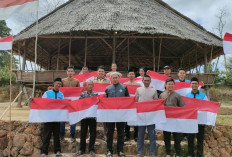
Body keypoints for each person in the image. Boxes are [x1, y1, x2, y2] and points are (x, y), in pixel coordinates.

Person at [105, 72, 129, 157]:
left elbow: (128, 100)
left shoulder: (124, 87)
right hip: (110, 114)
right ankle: (109, 151)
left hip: (121, 114)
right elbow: (105, 100)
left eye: (116, 78)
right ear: (111, 79)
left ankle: (120, 151)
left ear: (119, 78)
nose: (115, 79)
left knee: (121, 133)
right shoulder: (108, 88)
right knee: (110, 133)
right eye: (113, 78)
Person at [160, 78, 186, 157]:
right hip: (166, 120)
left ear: (174, 85)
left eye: (172, 84)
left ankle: (178, 153)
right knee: (166, 137)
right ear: (165, 85)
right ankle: (168, 153)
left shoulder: (177, 95)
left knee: (177, 138)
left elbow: (183, 106)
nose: (170, 85)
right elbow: (159, 107)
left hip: (175, 120)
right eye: (169, 84)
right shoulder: (161, 95)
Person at [135, 75, 158, 157]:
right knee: (140, 135)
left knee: (152, 136)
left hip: (151, 116)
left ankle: (152, 153)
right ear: (142, 81)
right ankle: (139, 152)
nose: (146, 82)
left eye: (148, 80)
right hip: (141, 116)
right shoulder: (138, 89)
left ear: (150, 81)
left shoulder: (154, 90)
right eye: (145, 80)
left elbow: (156, 103)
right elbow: (135, 101)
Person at [185, 77, 208, 157]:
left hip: (200, 121)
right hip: (191, 121)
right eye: (193, 83)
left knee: (200, 139)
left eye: (195, 84)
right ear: (190, 84)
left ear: (198, 85)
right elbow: (185, 108)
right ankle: (190, 154)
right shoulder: (187, 96)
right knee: (190, 139)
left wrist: (216, 105)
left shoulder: (203, 96)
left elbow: (208, 106)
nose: (194, 85)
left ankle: (199, 154)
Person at [41, 78, 63, 157]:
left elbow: (62, 105)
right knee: (47, 135)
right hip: (48, 117)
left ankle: (57, 151)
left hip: (57, 118)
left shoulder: (61, 94)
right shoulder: (47, 93)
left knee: (57, 135)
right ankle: (44, 152)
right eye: (57, 83)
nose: (58, 85)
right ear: (53, 83)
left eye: (60, 84)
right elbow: (42, 103)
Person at [75, 81, 98, 157]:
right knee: (83, 133)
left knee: (93, 133)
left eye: (91, 84)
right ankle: (82, 149)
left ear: (93, 85)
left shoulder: (95, 94)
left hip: (92, 117)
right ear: (86, 86)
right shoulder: (83, 94)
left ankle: (91, 149)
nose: (90, 85)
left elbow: (97, 104)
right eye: (88, 84)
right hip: (84, 117)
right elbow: (79, 103)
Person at [60, 66, 80, 142]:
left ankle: (72, 135)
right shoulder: (63, 81)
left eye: (72, 71)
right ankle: (61, 135)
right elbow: (60, 91)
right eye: (69, 71)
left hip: (73, 104)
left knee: (73, 120)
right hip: (64, 104)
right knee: (62, 120)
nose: (70, 73)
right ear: (66, 72)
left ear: (74, 72)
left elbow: (78, 92)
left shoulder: (77, 81)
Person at [93, 66, 111, 141]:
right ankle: (92, 135)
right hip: (94, 102)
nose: (100, 73)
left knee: (105, 119)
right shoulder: (93, 81)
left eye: (102, 72)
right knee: (93, 119)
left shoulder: (108, 81)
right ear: (97, 72)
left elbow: (109, 91)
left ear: (104, 73)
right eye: (99, 71)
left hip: (104, 102)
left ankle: (105, 135)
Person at [123, 70, 140, 141]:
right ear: (127, 75)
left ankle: (136, 136)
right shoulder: (124, 84)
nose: (131, 75)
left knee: (136, 120)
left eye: (133, 74)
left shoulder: (138, 85)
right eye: (130, 74)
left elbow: (139, 95)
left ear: (134, 76)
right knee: (127, 121)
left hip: (136, 104)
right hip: (127, 105)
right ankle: (127, 136)